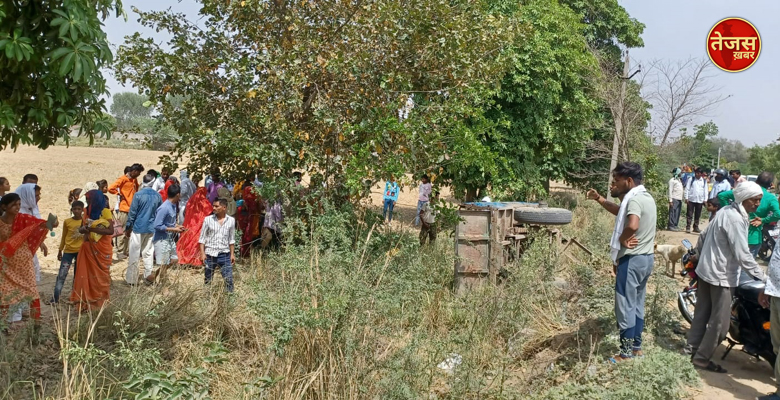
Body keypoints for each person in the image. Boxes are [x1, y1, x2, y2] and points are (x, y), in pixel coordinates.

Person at [687, 182, 766, 373]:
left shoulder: (724, 211)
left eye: (759, 200)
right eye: (755, 200)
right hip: (722, 275)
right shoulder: (736, 219)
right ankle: (702, 359)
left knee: (701, 314)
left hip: (706, 271)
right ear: (744, 198)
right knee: (721, 324)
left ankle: (690, 349)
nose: (757, 204)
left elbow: (704, 235)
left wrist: (699, 257)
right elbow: (742, 255)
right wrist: (763, 278)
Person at [586, 162, 656, 362]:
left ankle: (625, 353)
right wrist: (599, 199)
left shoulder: (633, 201)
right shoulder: (646, 198)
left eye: (616, 182)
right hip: (646, 259)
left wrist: (622, 239)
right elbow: (621, 213)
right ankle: (636, 348)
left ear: (629, 181)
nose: (612, 186)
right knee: (637, 304)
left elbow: (632, 224)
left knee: (625, 305)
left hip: (632, 260)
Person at [0, 193, 48, 327]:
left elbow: (40, 225)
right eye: (14, 204)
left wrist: (51, 223)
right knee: (5, 290)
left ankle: (36, 321)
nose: (17, 207)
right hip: (6, 263)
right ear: (4, 206)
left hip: (24, 262)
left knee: (30, 289)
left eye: (19, 204)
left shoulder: (23, 219)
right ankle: (7, 322)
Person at [70, 190, 114, 310]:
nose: (88, 202)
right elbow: (81, 228)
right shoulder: (86, 211)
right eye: (87, 200)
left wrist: (92, 229)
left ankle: (99, 304)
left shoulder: (105, 212)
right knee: (86, 276)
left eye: (90, 200)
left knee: (101, 277)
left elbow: (110, 231)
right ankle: (85, 303)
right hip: (88, 247)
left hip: (101, 249)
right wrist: (84, 229)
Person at [718, 171, 780, 258]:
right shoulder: (771, 198)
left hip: (735, 234)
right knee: (745, 268)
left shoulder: (746, 190)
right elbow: (778, 214)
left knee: (730, 265)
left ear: (757, 180)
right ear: (770, 184)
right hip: (753, 237)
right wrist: (763, 220)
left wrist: (730, 212)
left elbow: (722, 196)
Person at [124, 173, 162, 285]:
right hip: (151, 228)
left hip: (138, 227)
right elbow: (159, 212)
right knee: (148, 253)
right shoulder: (158, 196)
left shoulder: (138, 195)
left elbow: (132, 213)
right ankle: (148, 277)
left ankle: (132, 280)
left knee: (134, 253)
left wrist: (128, 228)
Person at [148, 184, 185, 285]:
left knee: (174, 260)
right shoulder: (164, 208)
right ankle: (164, 287)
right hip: (161, 239)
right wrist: (174, 229)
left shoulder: (173, 206)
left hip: (169, 238)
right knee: (164, 264)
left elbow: (169, 222)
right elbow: (157, 225)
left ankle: (152, 276)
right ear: (177, 195)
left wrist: (177, 226)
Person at [199, 198, 236, 293]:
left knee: (228, 279)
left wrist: (232, 254)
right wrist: (202, 254)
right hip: (210, 254)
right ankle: (206, 297)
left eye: (216, 206)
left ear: (224, 207)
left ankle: (230, 296)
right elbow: (202, 239)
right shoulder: (208, 220)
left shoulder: (231, 220)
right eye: (213, 206)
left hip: (224, 254)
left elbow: (231, 239)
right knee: (208, 278)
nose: (214, 208)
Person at [51, 201, 85, 304]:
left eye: (79, 209)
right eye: (75, 209)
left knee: (77, 276)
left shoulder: (85, 222)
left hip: (80, 252)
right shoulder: (67, 222)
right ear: (72, 210)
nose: (77, 211)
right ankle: (55, 298)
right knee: (62, 275)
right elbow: (64, 236)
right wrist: (60, 250)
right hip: (68, 251)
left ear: (82, 210)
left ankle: (74, 297)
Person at [108, 163, 144, 259]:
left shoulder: (134, 180)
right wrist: (119, 193)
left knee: (129, 231)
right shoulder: (123, 179)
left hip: (132, 209)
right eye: (138, 173)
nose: (139, 175)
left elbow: (136, 190)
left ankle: (127, 251)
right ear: (134, 171)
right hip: (124, 209)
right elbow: (110, 188)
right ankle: (120, 251)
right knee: (122, 231)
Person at [17, 183, 47, 283]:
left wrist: (41, 242)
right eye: (36, 196)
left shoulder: (32, 208)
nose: (39, 198)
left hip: (28, 250)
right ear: (27, 195)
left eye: (39, 195)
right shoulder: (18, 212)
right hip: (19, 252)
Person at [177, 187, 213, 266]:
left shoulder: (190, 201)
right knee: (196, 242)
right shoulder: (204, 201)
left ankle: (184, 259)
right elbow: (209, 212)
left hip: (189, 224)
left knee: (187, 242)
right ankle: (195, 261)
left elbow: (185, 212)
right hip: (199, 225)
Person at [684, 167, 707, 233]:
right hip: (691, 199)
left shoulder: (704, 181)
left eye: (698, 173)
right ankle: (688, 227)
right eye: (696, 173)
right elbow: (687, 189)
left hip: (700, 200)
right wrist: (686, 198)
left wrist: (705, 200)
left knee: (698, 214)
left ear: (701, 174)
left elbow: (705, 191)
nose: (697, 174)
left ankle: (696, 227)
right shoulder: (691, 179)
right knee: (689, 214)